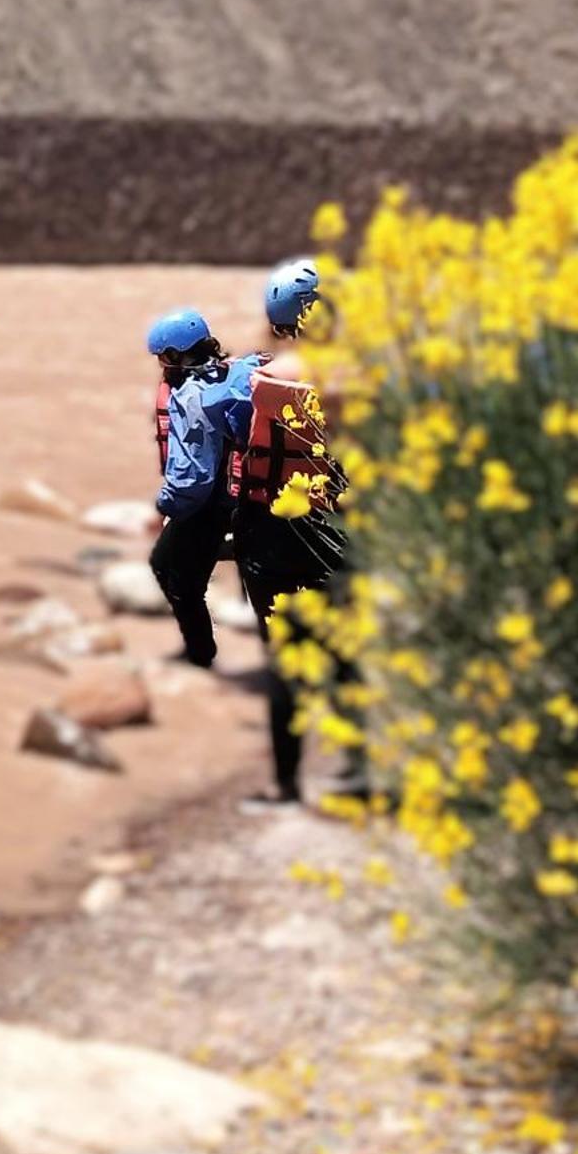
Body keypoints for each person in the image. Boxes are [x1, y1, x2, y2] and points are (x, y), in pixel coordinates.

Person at [231, 261, 358, 806]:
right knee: (345, 652)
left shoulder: (252, 380)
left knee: (283, 661)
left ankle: (285, 784)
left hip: (272, 533)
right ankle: (360, 771)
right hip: (337, 529)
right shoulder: (355, 381)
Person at [147, 310, 256, 670]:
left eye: (163, 356)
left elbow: (192, 478)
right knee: (170, 565)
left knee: (173, 574)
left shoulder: (192, 396)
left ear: (177, 355)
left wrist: (166, 506)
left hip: (205, 505)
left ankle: (200, 655)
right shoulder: (232, 373)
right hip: (237, 496)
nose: (161, 364)